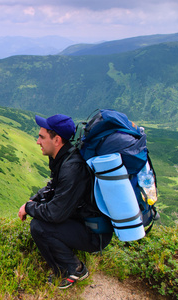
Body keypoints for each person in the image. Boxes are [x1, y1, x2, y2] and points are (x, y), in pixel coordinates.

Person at [18, 114, 113, 289]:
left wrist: (30, 207)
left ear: (57, 140)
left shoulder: (72, 168)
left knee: (39, 227)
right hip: (84, 221)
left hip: (95, 234)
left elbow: (55, 213)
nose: (38, 141)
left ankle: (73, 269)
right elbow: (54, 186)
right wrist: (35, 199)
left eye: (42, 137)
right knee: (41, 219)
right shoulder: (64, 157)